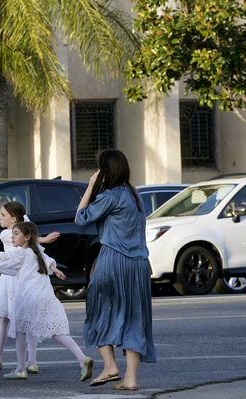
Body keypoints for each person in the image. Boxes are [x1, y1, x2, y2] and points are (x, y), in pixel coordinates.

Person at [75, 148, 156, 391]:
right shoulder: (134, 196)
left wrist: (90, 186)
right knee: (134, 318)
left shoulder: (110, 196)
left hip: (113, 260)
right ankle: (130, 378)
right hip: (139, 265)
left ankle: (110, 367)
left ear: (105, 171)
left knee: (99, 311)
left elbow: (81, 217)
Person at [0, 221, 94, 382]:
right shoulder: (35, 251)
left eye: (16, 233)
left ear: (27, 237)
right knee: (57, 332)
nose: (13, 236)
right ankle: (82, 358)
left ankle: (20, 369)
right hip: (45, 296)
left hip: (27, 298)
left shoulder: (20, 252)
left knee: (20, 331)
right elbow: (48, 261)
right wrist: (56, 269)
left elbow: (0, 258)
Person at [0, 199, 60, 373]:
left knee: (8, 319)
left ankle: (1, 358)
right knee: (24, 318)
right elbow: (34, 242)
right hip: (19, 277)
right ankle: (28, 361)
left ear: (13, 219)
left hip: (12, 278)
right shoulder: (8, 234)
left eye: (3, 215)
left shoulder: (11, 234)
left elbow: (32, 242)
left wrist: (45, 244)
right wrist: (44, 240)